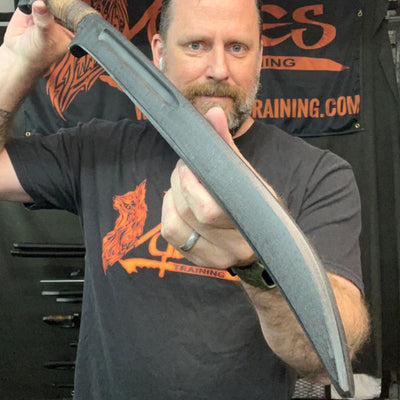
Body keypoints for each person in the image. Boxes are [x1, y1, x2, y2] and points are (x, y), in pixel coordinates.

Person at [0, 0, 369, 399]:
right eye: (196, 45)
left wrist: (254, 264)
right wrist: (19, 62)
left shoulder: (318, 174)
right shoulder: (99, 149)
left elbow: (326, 351)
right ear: (159, 52)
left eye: (238, 47)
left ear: (261, 55)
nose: (219, 69)